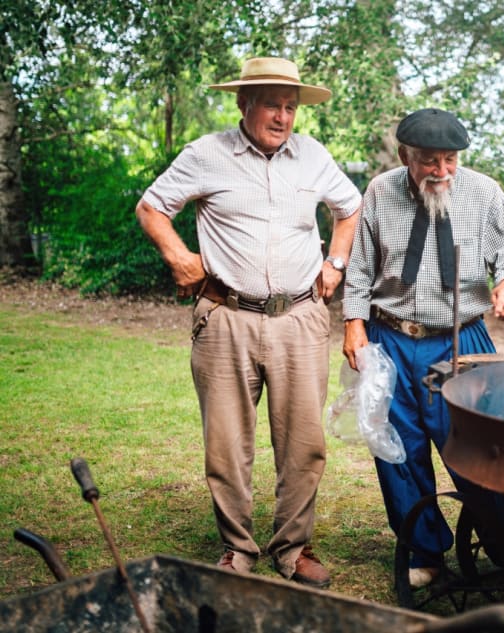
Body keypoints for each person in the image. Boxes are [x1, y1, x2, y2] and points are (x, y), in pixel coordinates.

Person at [135, 57, 362, 588]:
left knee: (304, 442)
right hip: (226, 318)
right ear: (244, 104)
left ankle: (293, 548)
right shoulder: (206, 155)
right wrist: (179, 258)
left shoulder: (312, 156)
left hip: (300, 317)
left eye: (291, 107)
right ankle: (237, 548)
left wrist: (337, 263)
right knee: (227, 442)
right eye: (272, 105)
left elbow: (349, 208)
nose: (283, 117)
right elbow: (152, 208)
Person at [342, 108, 504, 590]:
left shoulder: (483, 192)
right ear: (406, 156)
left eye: (450, 160)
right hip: (392, 338)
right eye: (429, 161)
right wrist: (353, 324)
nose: (441, 171)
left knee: (487, 446)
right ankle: (424, 553)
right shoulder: (381, 191)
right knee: (398, 450)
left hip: (463, 338)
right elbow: (360, 268)